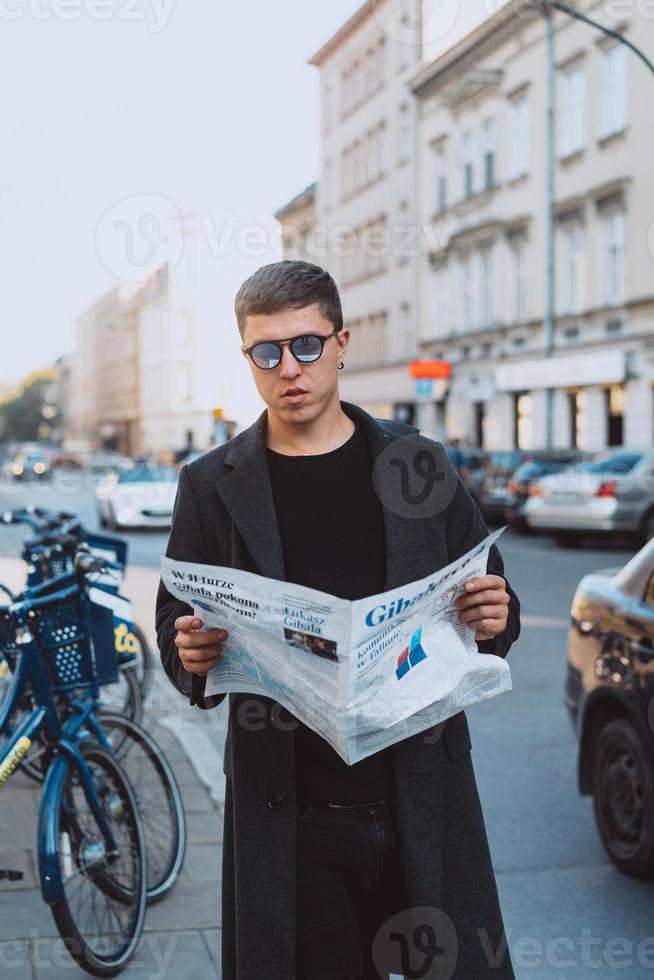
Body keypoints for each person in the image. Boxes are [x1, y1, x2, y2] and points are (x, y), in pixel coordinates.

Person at [155, 260, 521, 980]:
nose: (288, 368)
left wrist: (493, 613)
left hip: (421, 793)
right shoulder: (210, 485)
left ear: (342, 342)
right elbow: (177, 617)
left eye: (306, 345)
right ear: (248, 359)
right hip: (291, 813)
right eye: (267, 352)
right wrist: (189, 652)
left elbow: (491, 600)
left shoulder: (416, 464)